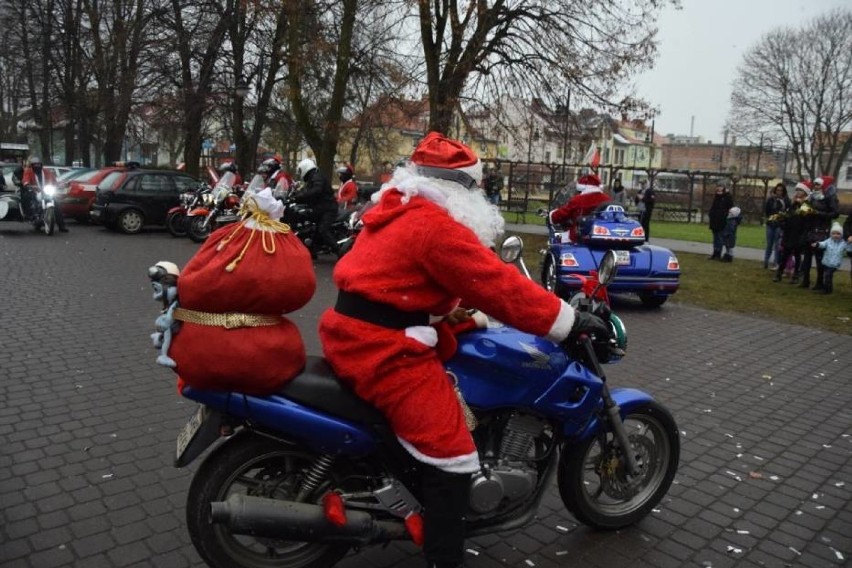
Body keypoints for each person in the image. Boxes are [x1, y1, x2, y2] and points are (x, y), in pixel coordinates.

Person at [318, 132, 609, 568]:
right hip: (383, 349)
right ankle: (443, 557)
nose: (484, 196)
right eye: (480, 187)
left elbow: (405, 284)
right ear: (462, 188)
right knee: (452, 453)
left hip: (356, 331)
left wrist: (461, 316)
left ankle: (412, 496)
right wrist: (567, 321)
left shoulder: (398, 210)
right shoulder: (435, 226)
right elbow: (496, 283)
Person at [292, 158, 340, 259]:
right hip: (321, 208)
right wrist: (295, 197)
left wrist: (299, 197)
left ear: (305, 168)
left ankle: (340, 251)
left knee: (322, 229)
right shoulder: (312, 178)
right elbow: (306, 192)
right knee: (311, 226)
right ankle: (311, 251)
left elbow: (315, 191)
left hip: (328, 209)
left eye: (300, 170)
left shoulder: (317, 177)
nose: (300, 173)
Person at [798, 176, 839, 290]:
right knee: (807, 256)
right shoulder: (811, 197)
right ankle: (805, 280)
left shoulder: (829, 197)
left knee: (819, 258)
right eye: (814, 184)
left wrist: (818, 213)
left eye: (818, 184)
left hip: (821, 230)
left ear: (823, 186)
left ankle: (819, 282)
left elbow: (835, 213)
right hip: (809, 229)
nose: (815, 186)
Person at [548, 174, 610, 242]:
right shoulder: (607, 199)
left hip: (579, 235)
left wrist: (552, 216)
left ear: (581, 188)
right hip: (603, 234)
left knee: (556, 238)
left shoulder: (578, 199)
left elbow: (563, 212)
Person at [773, 183, 810, 283]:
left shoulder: (806, 206)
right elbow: (787, 216)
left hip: (798, 234)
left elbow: (806, 221)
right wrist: (782, 222)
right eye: (797, 190)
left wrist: (803, 235)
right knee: (785, 254)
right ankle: (779, 274)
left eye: (800, 191)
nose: (798, 192)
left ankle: (796, 275)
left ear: (805, 193)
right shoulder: (792, 205)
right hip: (789, 234)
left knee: (797, 256)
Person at [21, 156, 68, 232]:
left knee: (57, 204)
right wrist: (27, 184)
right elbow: (25, 179)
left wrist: (59, 185)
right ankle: (31, 216)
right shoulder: (29, 171)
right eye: (35, 165)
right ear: (32, 165)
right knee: (29, 199)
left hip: (47, 191)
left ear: (41, 165)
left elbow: (54, 181)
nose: (37, 166)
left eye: (38, 164)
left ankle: (61, 226)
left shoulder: (47, 171)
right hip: (35, 191)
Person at [810, 223, 846, 294]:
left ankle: (827, 290)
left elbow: (848, 248)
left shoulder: (843, 243)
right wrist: (817, 244)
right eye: (834, 233)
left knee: (828, 275)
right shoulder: (829, 241)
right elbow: (823, 244)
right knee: (827, 276)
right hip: (827, 262)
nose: (836, 235)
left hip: (835, 263)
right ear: (831, 234)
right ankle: (828, 288)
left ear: (841, 235)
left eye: (838, 234)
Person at [763, 183, 789, 269]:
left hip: (779, 224)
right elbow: (766, 210)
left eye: (781, 190)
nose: (779, 192)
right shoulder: (771, 200)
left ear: (783, 191)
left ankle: (776, 262)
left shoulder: (786, 200)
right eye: (777, 190)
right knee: (769, 243)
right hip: (770, 224)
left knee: (777, 244)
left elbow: (787, 212)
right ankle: (766, 261)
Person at [707, 184, 733, 260]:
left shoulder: (727, 198)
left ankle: (718, 253)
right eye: (717, 190)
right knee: (715, 238)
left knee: (720, 238)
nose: (719, 191)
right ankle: (715, 253)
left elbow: (730, 208)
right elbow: (713, 207)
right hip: (714, 220)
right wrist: (711, 215)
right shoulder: (716, 198)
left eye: (720, 190)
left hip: (722, 221)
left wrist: (725, 216)